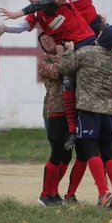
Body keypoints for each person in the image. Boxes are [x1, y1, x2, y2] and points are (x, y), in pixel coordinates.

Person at [0, 0, 96, 151]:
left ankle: (98, 122)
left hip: (85, 42)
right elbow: (23, 27)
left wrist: (17, 13)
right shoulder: (37, 14)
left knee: (90, 85)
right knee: (68, 83)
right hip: (70, 48)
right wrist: (3, 29)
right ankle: (74, 130)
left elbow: (43, 2)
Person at [59, 25, 112, 209]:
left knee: (90, 152)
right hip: (108, 112)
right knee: (109, 154)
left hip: (88, 110)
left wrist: (70, 50)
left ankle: (104, 193)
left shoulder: (87, 52)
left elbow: (65, 67)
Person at [36, 32, 75, 206]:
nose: (46, 42)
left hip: (71, 111)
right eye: (43, 41)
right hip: (56, 110)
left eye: (48, 38)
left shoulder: (68, 54)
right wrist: (62, 53)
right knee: (57, 152)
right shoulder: (44, 60)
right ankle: (45, 194)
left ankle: (54, 192)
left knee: (67, 155)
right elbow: (60, 72)